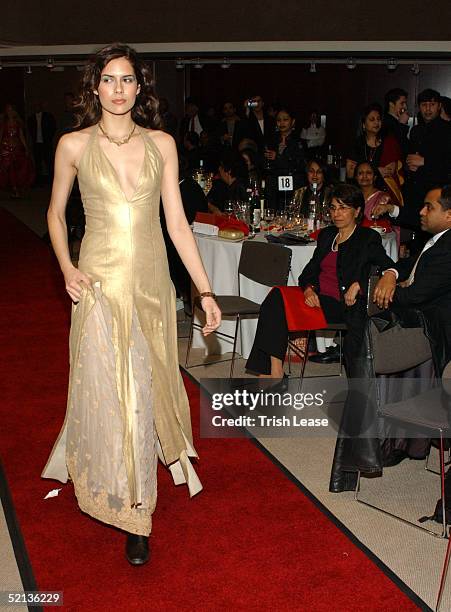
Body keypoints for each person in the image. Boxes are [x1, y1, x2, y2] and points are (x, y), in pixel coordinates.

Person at [41, 43, 221, 565]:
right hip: (97, 288)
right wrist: (67, 269)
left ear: (140, 88)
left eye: (127, 80)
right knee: (110, 394)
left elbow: (177, 224)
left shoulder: (162, 144)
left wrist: (204, 290)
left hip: (150, 289)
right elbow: (54, 214)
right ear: (94, 86)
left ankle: (139, 504)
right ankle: (130, 508)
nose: (118, 89)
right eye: (109, 79)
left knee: (142, 393)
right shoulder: (73, 145)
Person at [330, 186, 451, 491]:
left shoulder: (449, 248)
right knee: (364, 324)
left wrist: (375, 292)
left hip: (434, 332)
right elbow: (409, 267)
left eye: (428, 207)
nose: (420, 212)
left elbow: (415, 296)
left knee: (364, 330)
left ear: (448, 215)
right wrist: (391, 274)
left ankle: (366, 446)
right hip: (419, 321)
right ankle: (377, 441)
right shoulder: (437, 240)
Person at [246, 183, 394, 378]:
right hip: (318, 298)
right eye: (333, 208)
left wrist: (359, 284)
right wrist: (309, 289)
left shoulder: (367, 238)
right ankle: (274, 371)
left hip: (343, 305)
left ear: (357, 211)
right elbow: (309, 272)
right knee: (275, 297)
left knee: (277, 301)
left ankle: (273, 374)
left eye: (343, 208)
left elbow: (386, 266)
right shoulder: (327, 235)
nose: (337, 214)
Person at [402, 89, 451, 232]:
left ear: (439, 106)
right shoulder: (416, 131)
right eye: (424, 105)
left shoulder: (447, 130)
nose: (428, 109)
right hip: (417, 192)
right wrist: (409, 164)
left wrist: (425, 161)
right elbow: (409, 158)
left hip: (439, 195)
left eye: (432, 104)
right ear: (419, 107)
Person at [346, 103, 404, 207]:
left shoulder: (389, 143)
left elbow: (390, 171)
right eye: (372, 120)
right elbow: (350, 173)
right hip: (360, 193)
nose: (376, 122)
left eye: (378, 119)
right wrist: (377, 170)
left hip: (383, 194)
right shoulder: (356, 144)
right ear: (363, 124)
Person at [264, 107, 306, 209]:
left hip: (293, 185)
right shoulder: (271, 140)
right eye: (279, 120)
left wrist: (278, 157)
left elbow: (300, 165)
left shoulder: (299, 142)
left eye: (285, 119)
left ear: (293, 121)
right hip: (273, 186)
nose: (281, 123)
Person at [0, 104, 34, 198]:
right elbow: (1, 135)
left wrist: (26, 148)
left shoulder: (18, 123)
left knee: (19, 166)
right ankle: (14, 189)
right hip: (6, 147)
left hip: (16, 147)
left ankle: (16, 188)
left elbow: (21, 136)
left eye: (11, 110)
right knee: (8, 168)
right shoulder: (4, 123)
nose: (9, 112)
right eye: (8, 110)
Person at [206, 150, 248, 215]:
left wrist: (212, 207)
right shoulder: (229, 185)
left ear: (228, 171)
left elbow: (232, 215)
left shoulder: (238, 188)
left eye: (221, 166)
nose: (219, 169)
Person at [27, 101, 56, 184]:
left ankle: (51, 180)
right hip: (36, 144)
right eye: (35, 106)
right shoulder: (31, 118)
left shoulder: (48, 116)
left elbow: (53, 127)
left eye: (38, 106)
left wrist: (49, 138)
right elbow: (30, 130)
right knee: (37, 163)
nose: (36, 108)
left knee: (49, 162)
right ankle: (38, 181)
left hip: (46, 143)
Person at [383, 88, 409, 157]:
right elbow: (396, 145)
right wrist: (402, 124)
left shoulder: (396, 120)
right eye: (402, 103)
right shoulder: (385, 122)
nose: (405, 107)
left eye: (405, 103)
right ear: (391, 104)